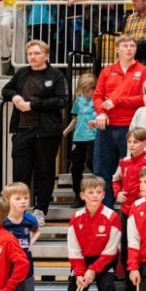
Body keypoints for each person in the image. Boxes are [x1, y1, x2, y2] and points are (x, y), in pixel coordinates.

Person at [1, 40, 68, 222]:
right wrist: (15, 96)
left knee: (44, 171)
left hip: (46, 131)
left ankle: (40, 210)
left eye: (37, 53)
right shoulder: (22, 73)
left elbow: (61, 101)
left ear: (46, 55)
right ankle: (20, 211)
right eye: (30, 54)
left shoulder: (56, 75)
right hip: (22, 130)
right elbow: (6, 90)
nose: (33, 57)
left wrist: (32, 105)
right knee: (20, 173)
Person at [65, 176, 123, 291]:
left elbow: (111, 250)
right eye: (91, 192)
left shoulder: (112, 217)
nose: (95, 196)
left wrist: (93, 270)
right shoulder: (76, 218)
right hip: (82, 260)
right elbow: (74, 249)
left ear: (104, 194)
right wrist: (80, 272)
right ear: (83, 195)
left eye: (99, 192)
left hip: (105, 260)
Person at [93, 36, 146, 208]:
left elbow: (145, 98)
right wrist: (101, 113)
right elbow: (98, 96)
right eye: (125, 46)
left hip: (131, 127)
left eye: (132, 46)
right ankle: (106, 210)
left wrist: (117, 101)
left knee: (133, 170)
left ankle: (133, 209)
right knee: (102, 170)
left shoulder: (144, 71)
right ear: (117, 49)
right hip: (106, 126)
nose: (129, 49)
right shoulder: (107, 71)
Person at [64, 74, 98, 202]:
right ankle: (78, 196)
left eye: (89, 91)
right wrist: (65, 132)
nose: (86, 94)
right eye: (84, 91)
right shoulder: (78, 101)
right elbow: (75, 119)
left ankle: (101, 191)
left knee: (91, 162)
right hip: (79, 138)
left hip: (93, 137)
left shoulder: (98, 101)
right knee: (76, 168)